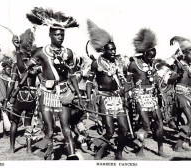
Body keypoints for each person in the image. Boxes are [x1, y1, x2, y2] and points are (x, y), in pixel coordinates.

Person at [25, 7, 84, 160]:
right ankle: (48, 154)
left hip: (64, 93)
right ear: (49, 34)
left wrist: (78, 94)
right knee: (50, 131)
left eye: (62, 35)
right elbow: (25, 68)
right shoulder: (40, 52)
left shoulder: (68, 53)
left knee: (66, 128)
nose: (60, 37)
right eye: (57, 34)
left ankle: (72, 156)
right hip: (46, 93)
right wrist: (21, 53)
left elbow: (71, 76)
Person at [86, 19, 129, 160]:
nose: (113, 51)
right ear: (103, 50)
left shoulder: (118, 63)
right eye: (110, 49)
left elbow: (123, 80)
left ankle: (119, 153)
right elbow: (89, 82)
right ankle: (99, 153)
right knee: (109, 131)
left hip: (117, 98)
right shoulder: (96, 63)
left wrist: (126, 91)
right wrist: (87, 99)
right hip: (104, 98)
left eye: (114, 49)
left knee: (124, 129)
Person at [126, 28, 166, 157]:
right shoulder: (133, 64)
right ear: (143, 54)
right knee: (146, 125)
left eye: (153, 56)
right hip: (139, 96)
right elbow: (127, 82)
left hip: (152, 96)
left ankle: (160, 149)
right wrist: (126, 96)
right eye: (150, 56)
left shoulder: (153, 65)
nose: (152, 59)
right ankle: (140, 149)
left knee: (160, 123)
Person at [5, 29, 41, 154]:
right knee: (28, 122)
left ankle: (12, 147)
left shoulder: (16, 65)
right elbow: (41, 82)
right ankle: (29, 149)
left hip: (20, 96)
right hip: (32, 96)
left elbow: (11, 83)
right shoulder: (35, 65)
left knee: (14, 122)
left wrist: (6, 99)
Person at [169, 35, 191, 151]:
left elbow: (189, 84)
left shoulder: (190, 67)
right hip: (180, 94)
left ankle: (184, 142)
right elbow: (169, 80)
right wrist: (178, 75)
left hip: (188, 94)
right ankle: (179, 145)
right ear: (185, 53)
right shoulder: (178, 64)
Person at [0, 58, 13, 138]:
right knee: (5, 115)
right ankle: (5, 133)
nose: (10, 71)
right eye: (8, 69)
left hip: (9, 99)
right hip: (4, 100)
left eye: (10, 69)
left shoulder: (9, 79)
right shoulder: (1, 79)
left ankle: (10, 131)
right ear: (4, 70)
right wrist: (5, 99)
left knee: (10, 115)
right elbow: (2, 90)